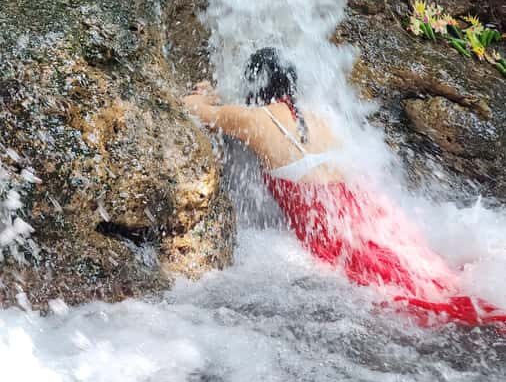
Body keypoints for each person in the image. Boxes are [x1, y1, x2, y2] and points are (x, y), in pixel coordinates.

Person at [184, 48, 506, 327]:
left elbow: (196, 109)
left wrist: (203, 93)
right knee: (418, 271)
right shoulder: (317, 115)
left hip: (328, 226)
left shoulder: (253, 119)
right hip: (358, 204)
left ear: (255, 85)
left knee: (402, 295)